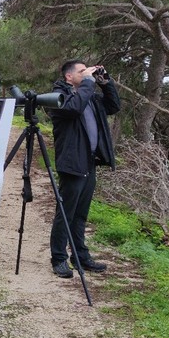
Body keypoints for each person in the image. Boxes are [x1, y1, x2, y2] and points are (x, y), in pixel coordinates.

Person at [45, 59, 121, 279]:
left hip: (89, 161)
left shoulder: (89, 97)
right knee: (66, 213)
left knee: (80, 214)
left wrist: (105, 83)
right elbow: (74, 108)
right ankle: (59, 258)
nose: (86, 74)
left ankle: (80, 256)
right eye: (81, 72)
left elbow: (114, 106)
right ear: (69, 77)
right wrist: (88, 82)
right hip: (72, 163)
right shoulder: (59, 98)